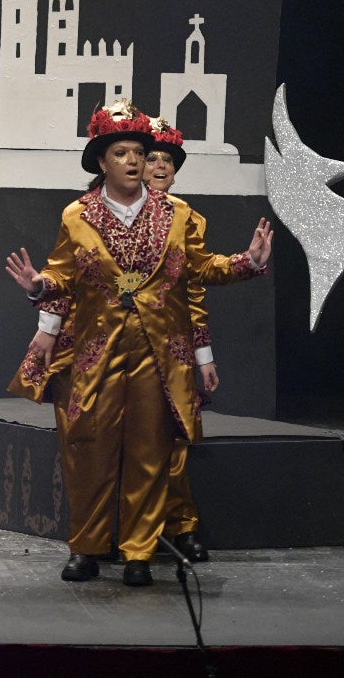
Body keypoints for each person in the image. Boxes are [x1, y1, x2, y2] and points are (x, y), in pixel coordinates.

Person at [4, 100, 273, 587]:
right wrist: (38, 286)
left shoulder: (176, 213)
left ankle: (138, 553)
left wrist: (246, 262)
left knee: (150, 452)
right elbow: (62, 276)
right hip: (97, 351)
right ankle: (86, 547)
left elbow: (201, 269)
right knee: (88, 450)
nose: (133, 161)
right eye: (122, 152)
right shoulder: (77, 215)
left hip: (157, 352)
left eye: (139, 152)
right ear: (102, 161)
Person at [144, 118, 216, 562]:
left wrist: (203, 353)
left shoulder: (187, 218)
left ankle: (182, 525)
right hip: (117, 343)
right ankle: (118, 533)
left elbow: (194, 290)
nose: (156, 166)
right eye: (149, 157)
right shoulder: (100, 211)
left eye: (166, 160)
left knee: (175, 437)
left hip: (171, 347)